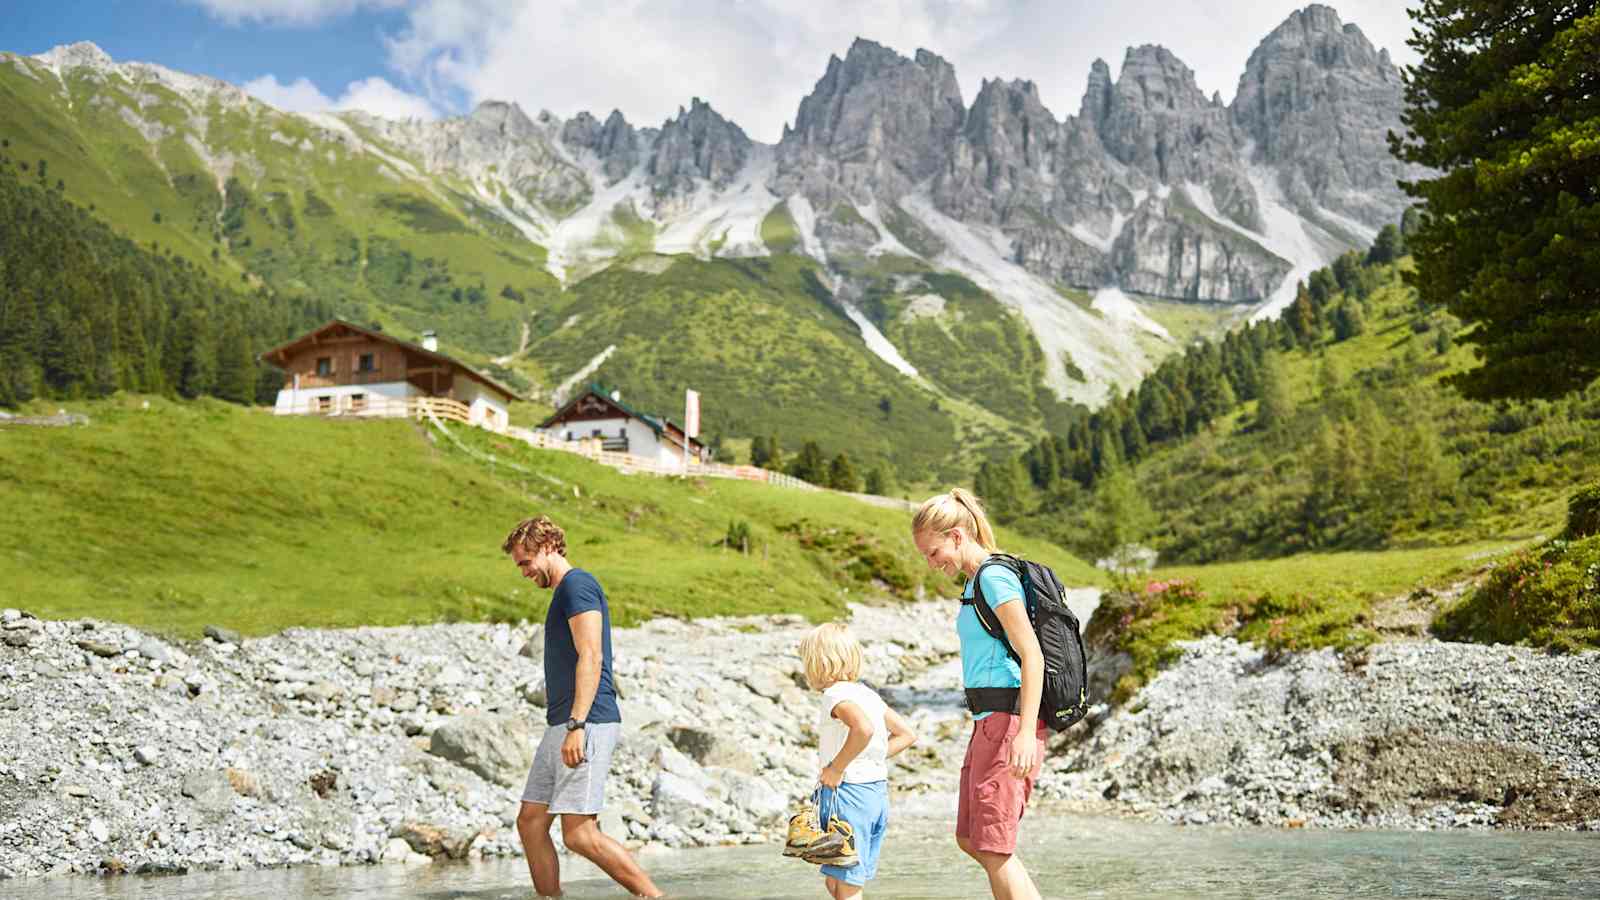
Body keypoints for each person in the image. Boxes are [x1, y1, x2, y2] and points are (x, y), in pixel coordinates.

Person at [502, 515, 662, 899]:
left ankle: (655, 897)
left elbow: (591, 655)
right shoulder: (564, 592)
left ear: (548, 547)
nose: (523, 572)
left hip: (585, 722)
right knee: (531, 821)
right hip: (562, 722)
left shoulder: (577, 585)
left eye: (526, 562)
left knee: (579, 833)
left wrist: (577, 725)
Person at [910, 489, 1046, 900]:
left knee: (993, 844)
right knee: (970, 837)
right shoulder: (974, 583)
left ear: (955, 536)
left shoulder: (994, 578)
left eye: (934, 553)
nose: (933, 564)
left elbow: (1032, 656)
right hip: (986, 722)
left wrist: (1023, 734)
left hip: (1008, 722)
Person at [797, 623, 919, 899]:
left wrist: (837, 767)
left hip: (847, 794)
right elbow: (906, 734)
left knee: (849, 884)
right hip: (874, 795)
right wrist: (867, 755)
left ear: (818, 663)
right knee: (839, 878)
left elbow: (862, 729)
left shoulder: (835, 695)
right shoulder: (867, 694)